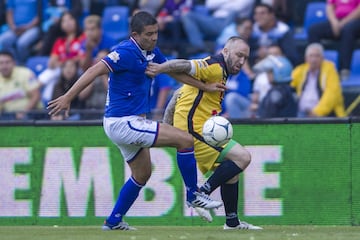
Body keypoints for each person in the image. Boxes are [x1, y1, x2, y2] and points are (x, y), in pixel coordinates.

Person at [47, 11, 225, 230]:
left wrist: (205, 87)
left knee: (142, 174)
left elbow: (172, 72)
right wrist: (68, 97)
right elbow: (94, 70)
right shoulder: (124, 52)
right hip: (123, 122)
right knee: (185, 140)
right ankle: (193, 194)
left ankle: (113, 221)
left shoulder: (151, 52)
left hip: (125, 123)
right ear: (135, 34)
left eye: (156, 33)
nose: (154, 38)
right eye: (149, 34)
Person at [146, 36, 262, 230]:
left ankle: (232, 223)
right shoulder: (214, 66)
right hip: (195, 130)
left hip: (199, 128)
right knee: (243, 158)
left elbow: (177, 95)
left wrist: (167, 125)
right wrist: (160, 68)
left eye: (245, 57)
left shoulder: (218, 72)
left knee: (230, 172)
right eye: (239, 55)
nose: (242, 61)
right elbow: (183, 64)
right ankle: (199, 194)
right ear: (225, 51)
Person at [307, 0, 360, 81]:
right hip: (337, 21)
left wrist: (343, 22)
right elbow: (329, 7)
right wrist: (334, 22)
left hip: (355, 22)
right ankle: (316, 65)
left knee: (348, 30)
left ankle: (344, 69)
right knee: (313, 30)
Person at [291, 43, 346, 118]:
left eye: (317, 56)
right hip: (301, 113)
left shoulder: (330, 69)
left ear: (322, 58)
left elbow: (331, 93)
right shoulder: (300, 70)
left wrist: (317, 112)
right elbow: (289, 85)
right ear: (306, 58)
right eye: (311, 56)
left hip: (323, 115)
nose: (314, 59)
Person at [181, 0, 255, 54]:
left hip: (233, 22)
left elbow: (238, 7)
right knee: (188, 15)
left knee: (233, 12)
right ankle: (199, 47)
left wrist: (221, 4)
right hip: (214, 20)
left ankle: (216, 44)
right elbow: (210, 4)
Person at [0, 50, 42, 120]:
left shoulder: (25, 73)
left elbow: (36, 96)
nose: (4, 66)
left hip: (31, 112)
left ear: (14, 63)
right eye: (1, 63)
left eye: (7, 62)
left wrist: (23, 113)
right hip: (8, 115)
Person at [0, 0, 41, 65]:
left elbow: (39, 15)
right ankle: (13, 63)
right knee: (3, 40)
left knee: (22, 43)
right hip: (15, 28)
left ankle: (23, 64)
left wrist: (27, 27)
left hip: (32, 28)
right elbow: (9, 12)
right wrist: (13, 27)